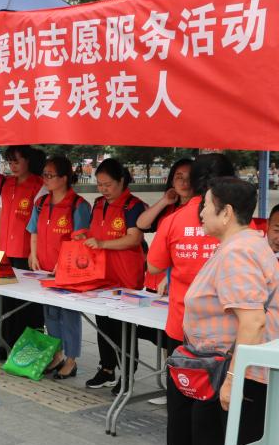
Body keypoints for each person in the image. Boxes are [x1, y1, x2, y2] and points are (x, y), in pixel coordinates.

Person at [171, 177, 279, 445]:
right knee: (206, 431)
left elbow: (252, 321)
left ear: (227, 212)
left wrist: (234, 380)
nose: (201, 213)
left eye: (206, 206)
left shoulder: (239, 252)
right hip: (219, 365)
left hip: (240, 369)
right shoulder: (238, 245)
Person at [148, 153, 236, 445]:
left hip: (183, 326)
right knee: (217, 404)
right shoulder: (237, 222)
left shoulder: (174, 220)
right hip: (227, 332)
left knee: (181, 398)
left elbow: (154, 266)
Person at [80, 159, 148, 391]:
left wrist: (102, 244)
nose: (103, 189)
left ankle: (127, 375)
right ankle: (107, 369)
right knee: (103, 324)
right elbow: (94, 231)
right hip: (101, 274)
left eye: (108, 184)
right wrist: (85, 236)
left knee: (124, 329)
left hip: (126, 276)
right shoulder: (99, 203)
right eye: (99, 184)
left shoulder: (133, 206)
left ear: (121, 181)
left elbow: (134, 239)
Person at [28, 155, 92, 380]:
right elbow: (34, 231)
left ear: (64, 178)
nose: (45, 179)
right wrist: (33, 254)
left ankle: (71, 359)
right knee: (50, 313)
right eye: (44, 174)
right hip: (43, 268)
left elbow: (80, 240)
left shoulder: (78, 205)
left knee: (68, 314)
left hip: (68, 270)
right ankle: (57, 354)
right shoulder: (41, 203)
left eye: (50, 175)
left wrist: (62, 262)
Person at [0, 145, 46, 354]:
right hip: (5, 250)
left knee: (27, 304)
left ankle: (28, 349)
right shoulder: (7, 184)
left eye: (16, 161)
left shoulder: (39, 186)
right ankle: (6, 343)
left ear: (28, 161)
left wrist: (34, 252)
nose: (13, 166)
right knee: (6, 301)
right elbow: (0, 214)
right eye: (10, 162)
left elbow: (40, 223)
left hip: (25, 252)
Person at [137, 158, 195, 293]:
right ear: (172, 181)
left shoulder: (202, 211)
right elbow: (141, 224)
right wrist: (164, 201)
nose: (185, 182)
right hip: (154, 281)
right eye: (179, 177)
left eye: (190, 177)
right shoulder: (168, 207)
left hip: (177, 284)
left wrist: (170, 277)